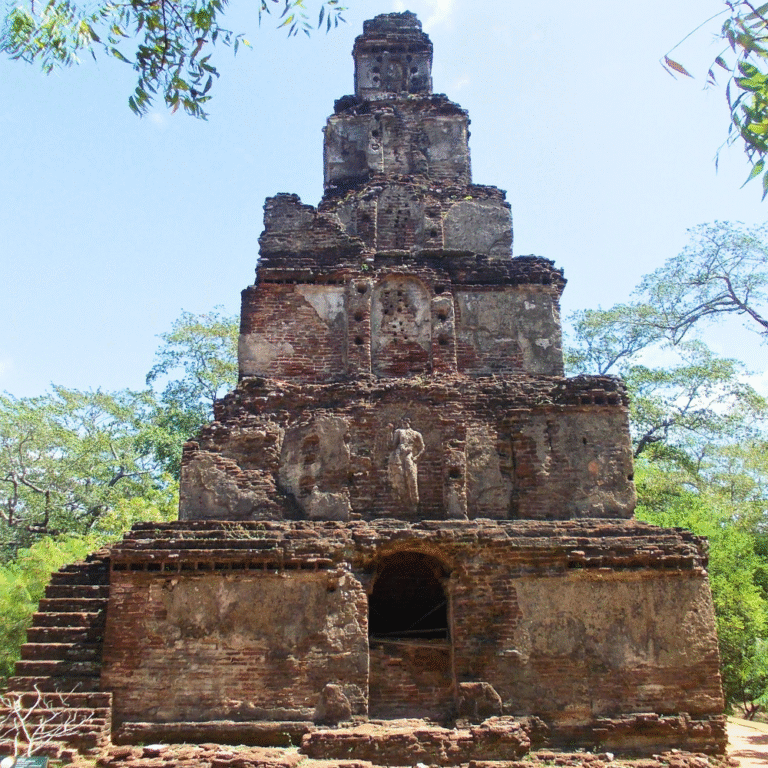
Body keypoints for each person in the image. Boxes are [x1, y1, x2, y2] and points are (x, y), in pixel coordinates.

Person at [387, 418, 425, 510]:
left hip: (410, 455)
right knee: (399, 477)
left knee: (412, 477)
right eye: (403, 420)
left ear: (410, 422)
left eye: (407, 420)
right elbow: (392, 445)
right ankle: (403, 502)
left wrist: (417, 457)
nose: (405, 422)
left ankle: (414, 502)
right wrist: (389, 432)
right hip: (398, 455)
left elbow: (422, 447)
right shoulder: (398, 431)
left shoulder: (416, 433)